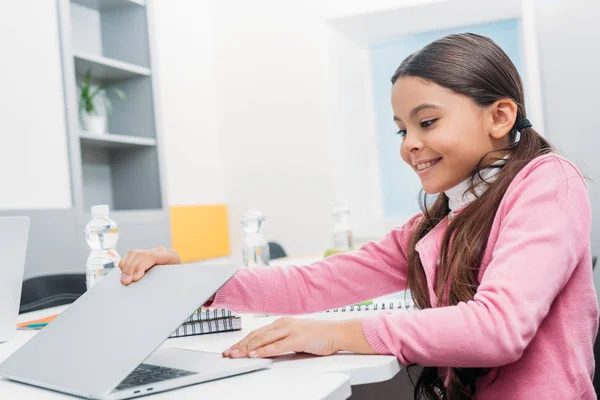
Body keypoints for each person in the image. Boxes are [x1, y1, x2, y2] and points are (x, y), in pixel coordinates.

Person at [119, 33, 598, 399]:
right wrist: (196, 282)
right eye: (401, 130)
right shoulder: (436, 221)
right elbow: (313, 283)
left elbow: (497, 329)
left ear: (499, 117)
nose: (410, 144)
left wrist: (338, 335)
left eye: (427, 122)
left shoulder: (547, 182)